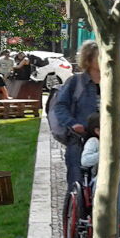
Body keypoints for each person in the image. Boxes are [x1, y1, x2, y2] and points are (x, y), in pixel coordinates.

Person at [50, 40, 100, 188]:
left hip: (107, 139)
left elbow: (119, 110)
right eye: (100, 56)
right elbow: (60, 106)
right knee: (76, 182)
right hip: (79, 139)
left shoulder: (112, 83)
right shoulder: (76, 81)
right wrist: (73, 124)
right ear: (89, 60)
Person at [80, 113, 120, 217]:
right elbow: (85, 161)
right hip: (99, 177)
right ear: (97, 131)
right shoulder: (94, 142)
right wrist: (105, 151)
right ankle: (104, 210)